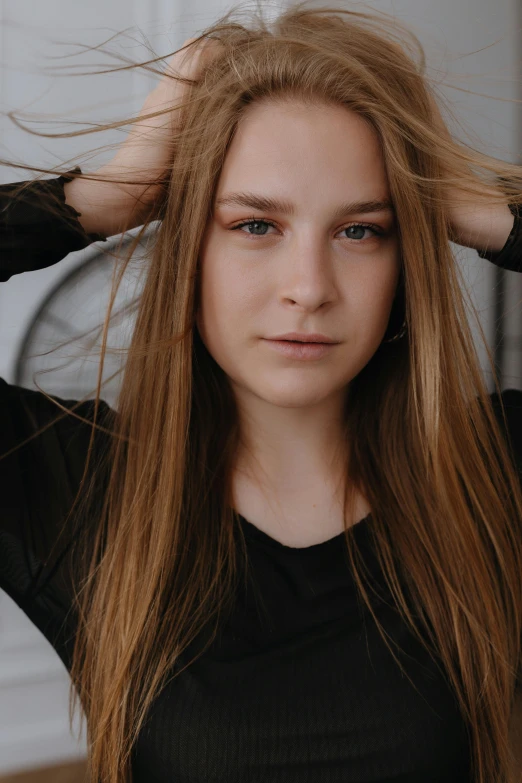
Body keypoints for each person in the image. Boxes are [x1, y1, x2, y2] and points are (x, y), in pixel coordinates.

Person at [1, 4, 522, 782]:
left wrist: (479, 211)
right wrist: (103, 196)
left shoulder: (494, 475)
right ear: (189, 250)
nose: (308, 289)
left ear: (406, 256)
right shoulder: (76, 490)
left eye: (361, 231)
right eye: (255, 226)